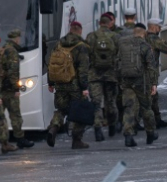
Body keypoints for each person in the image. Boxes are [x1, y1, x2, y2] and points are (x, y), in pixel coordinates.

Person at [46, 21, 91, 149]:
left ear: (70, 29)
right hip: (75, 85)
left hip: (60, 84)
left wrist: (51, 82)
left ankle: (53, 128)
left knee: (61, 110)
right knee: (80, 111)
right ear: (80, 30)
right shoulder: (81, 46)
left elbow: (52, 64)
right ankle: (77, 140)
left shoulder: (59, 44)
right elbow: (83, 69)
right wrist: (84, 87)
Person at [119, 24, 159, 147]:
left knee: (129, 108)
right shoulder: (145, 46)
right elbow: (151, 66)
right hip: (142, 82)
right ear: (144, 34)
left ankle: (128, 134)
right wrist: (153, 83)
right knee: (146, 108)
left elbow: (117, 62)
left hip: (126, 82)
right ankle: (150, 133)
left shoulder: (123, 46)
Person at [86, 15, 120, 140]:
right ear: (109, 23)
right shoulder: (115, 37)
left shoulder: (91, 36)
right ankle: (112, 126)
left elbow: (87, 55)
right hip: (111, 75)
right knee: (111, 102)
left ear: (99, 23)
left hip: (94, 76)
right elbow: (119, 56)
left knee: (96, 103)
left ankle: (98, 130)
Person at [0, 28, 34, 148]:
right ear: (16, 39)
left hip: (0, 88)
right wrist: (16, 88)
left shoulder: (3, 49)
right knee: (15, 115)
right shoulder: (12, 51)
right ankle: (20, 138)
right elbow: (13, 72)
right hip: (9, 90)